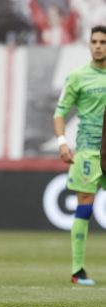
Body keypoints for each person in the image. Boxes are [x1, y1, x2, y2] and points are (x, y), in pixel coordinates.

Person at [53, 25, 106, 286]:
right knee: (84, 207)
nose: (98, 46)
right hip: (87, 152)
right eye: (94, 41)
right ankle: (78, 271)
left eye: (103, 42)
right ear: (89, 45)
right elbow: (60, 112)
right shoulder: (77, 77)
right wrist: (62, 142)